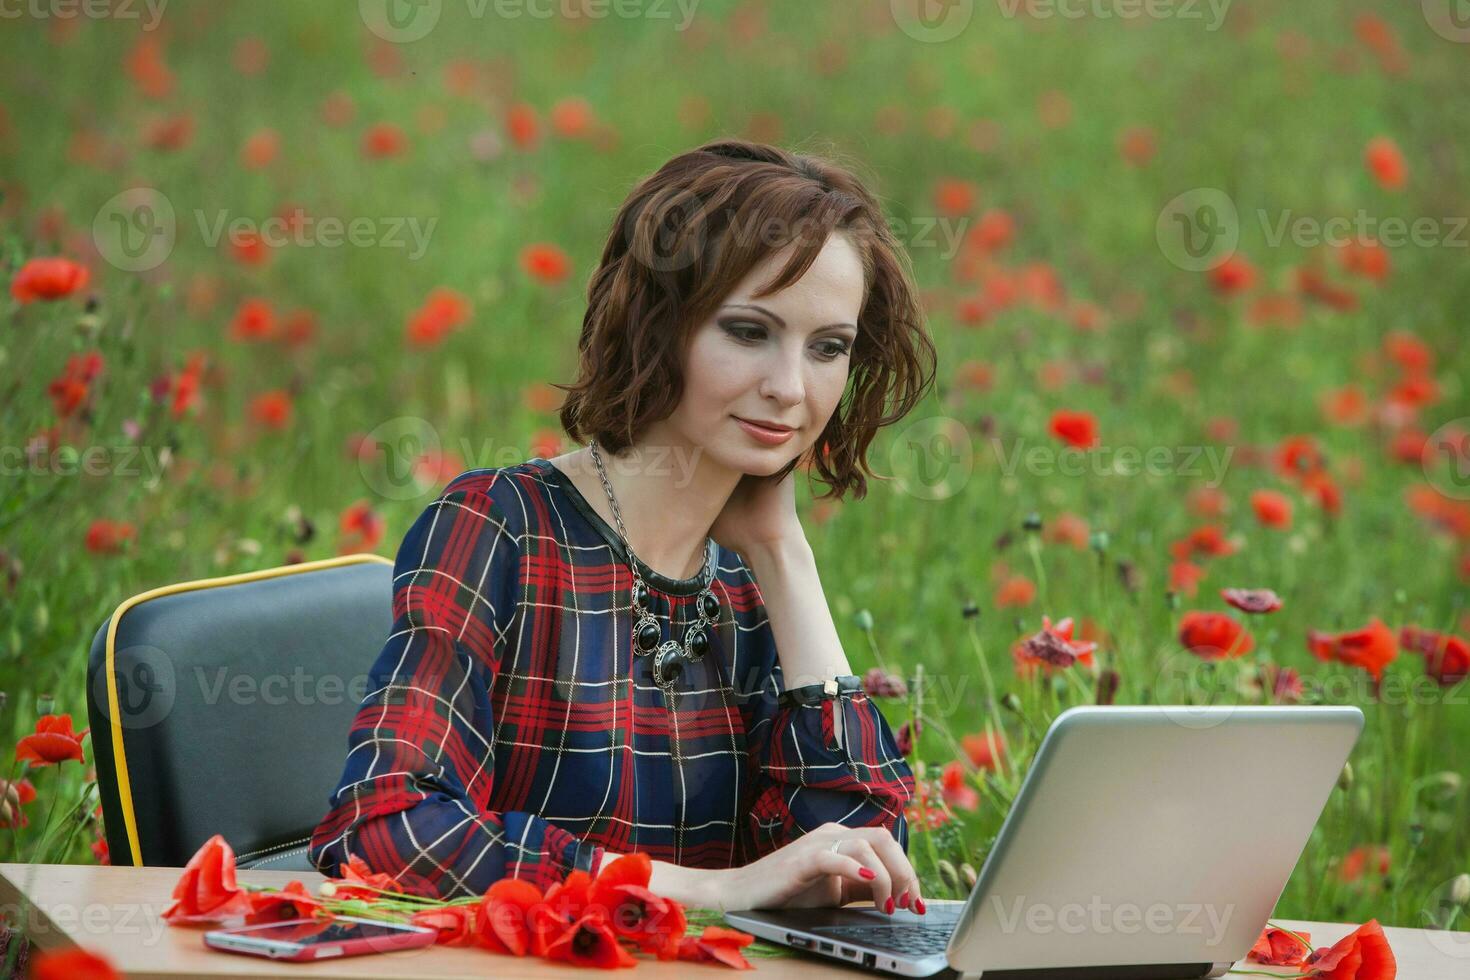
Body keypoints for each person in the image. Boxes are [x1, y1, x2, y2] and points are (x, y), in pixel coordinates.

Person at [308, 138, 939, 916]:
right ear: (656, 323)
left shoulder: (749, 582)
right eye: (748, 331)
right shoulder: (499, 529)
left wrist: (786, 558)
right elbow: (389, 829)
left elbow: (862, 872)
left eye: (828, 348)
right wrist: (711, 890)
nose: (789, 388)